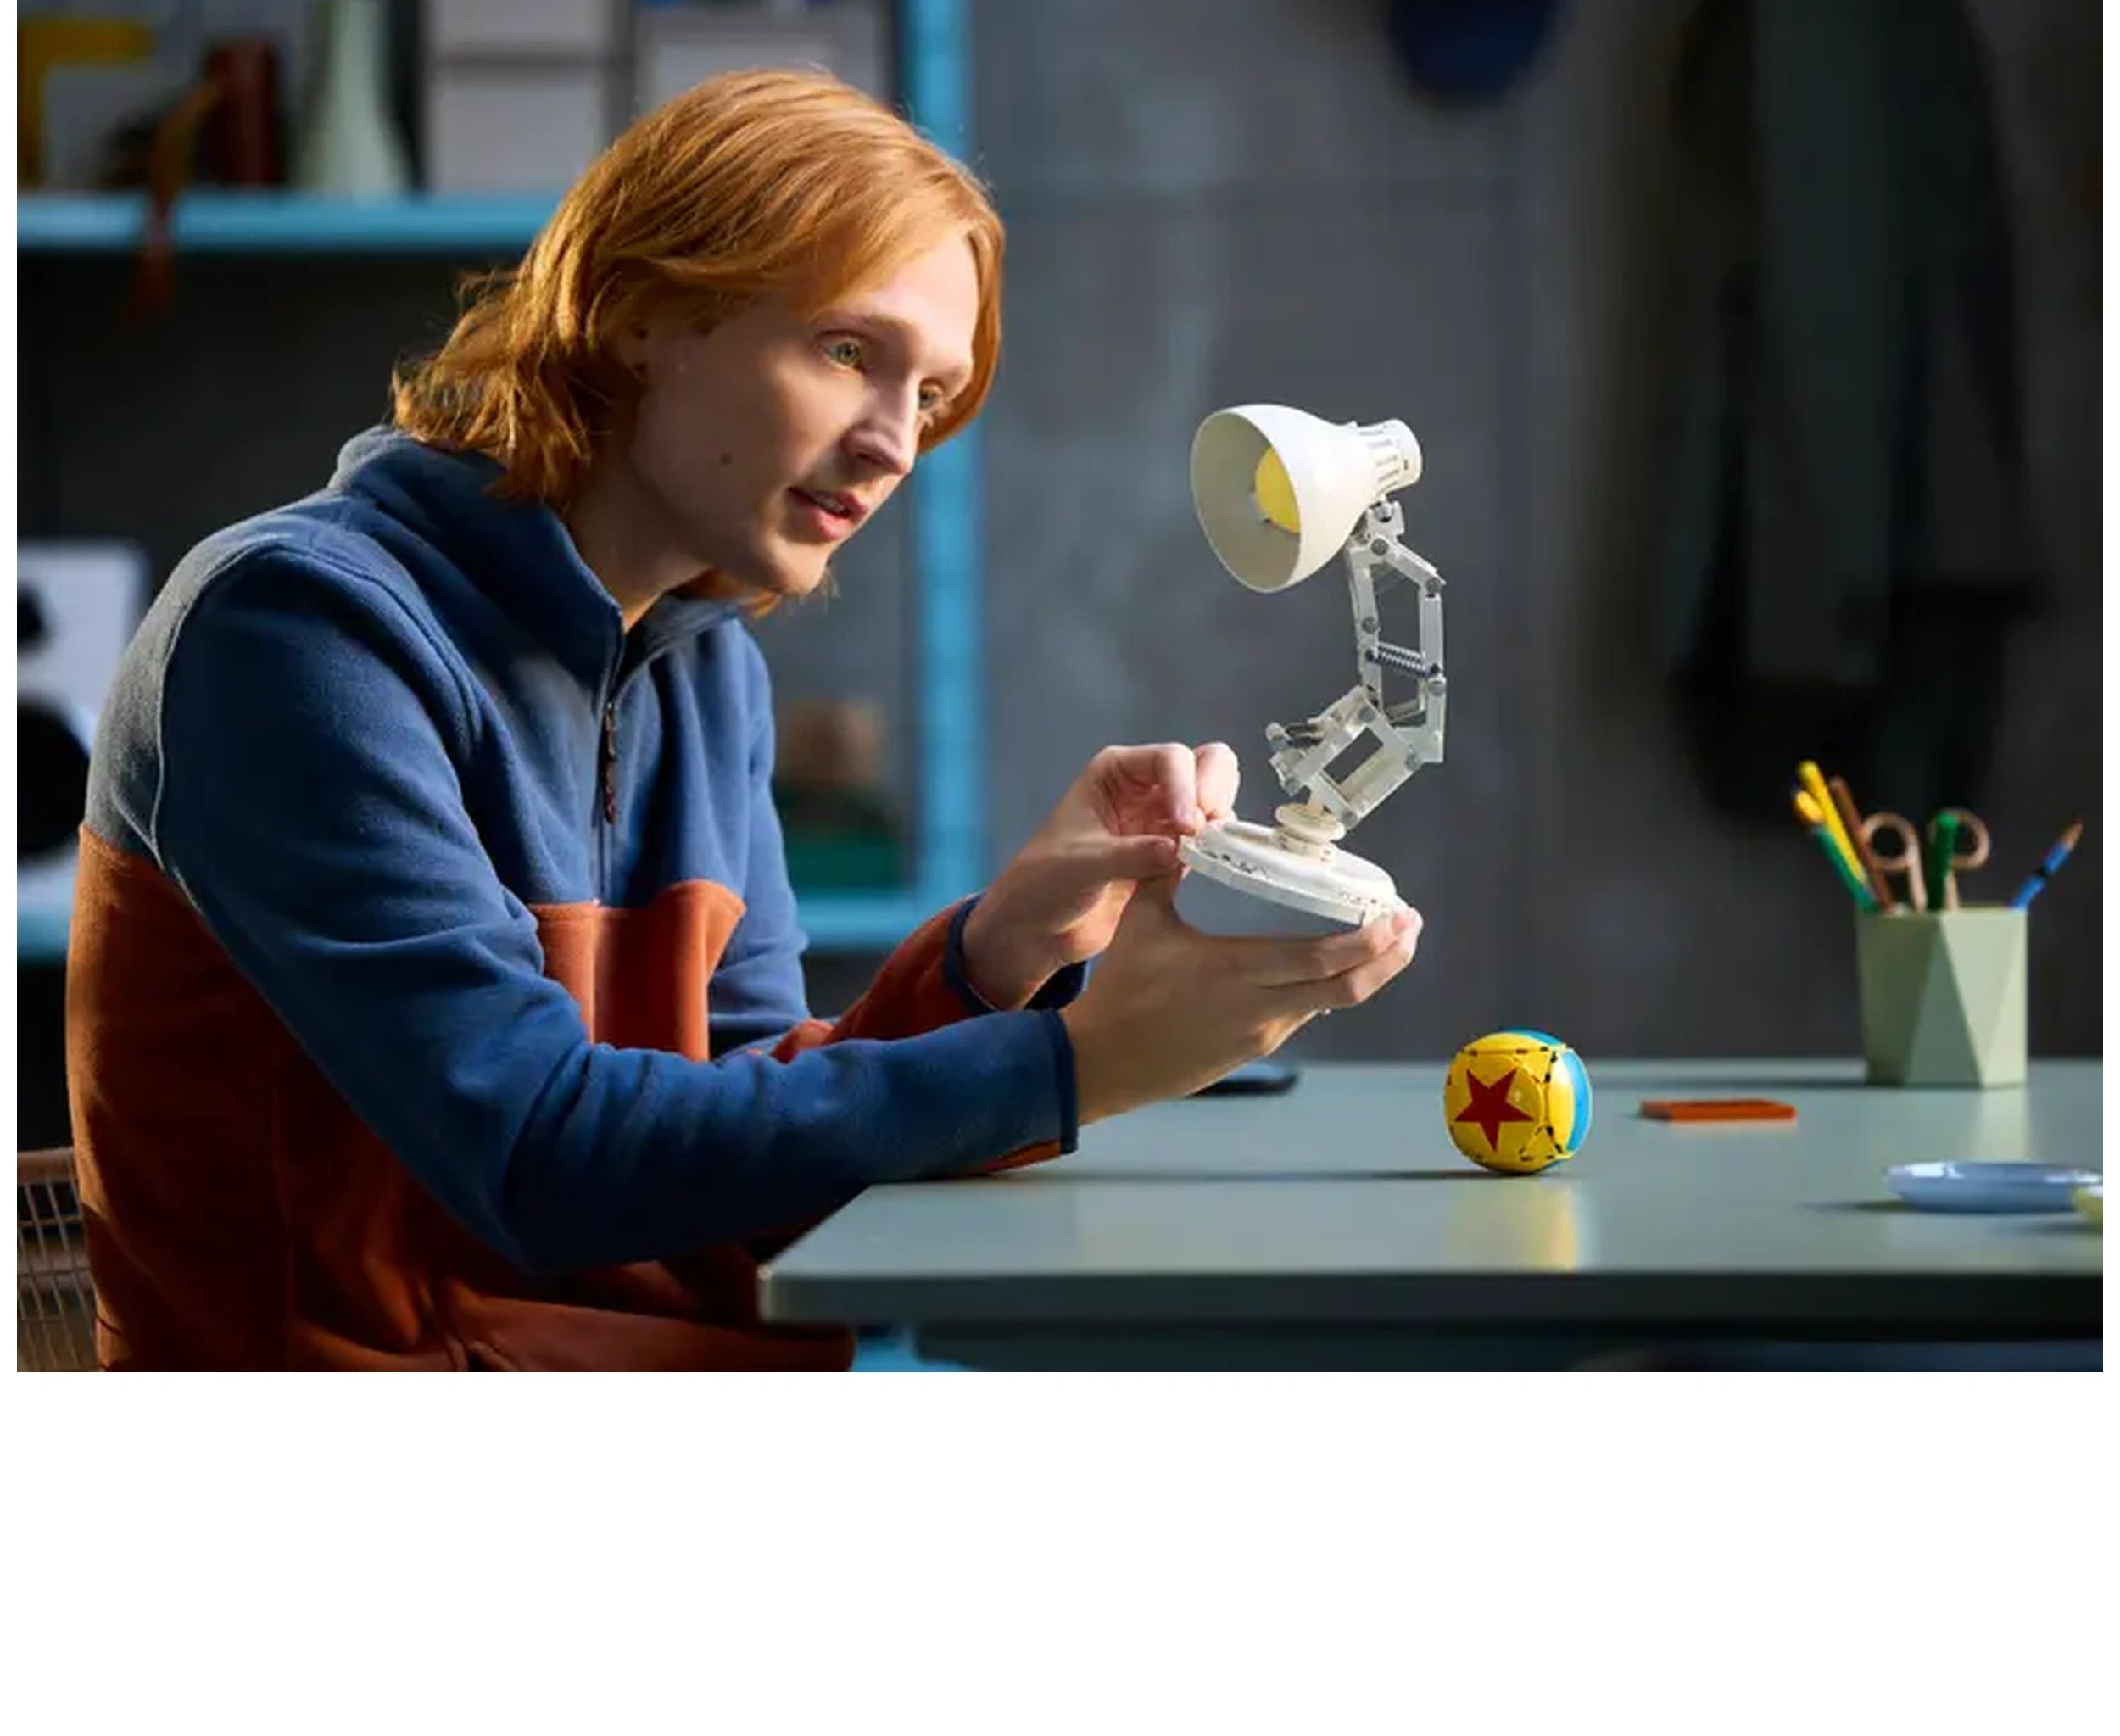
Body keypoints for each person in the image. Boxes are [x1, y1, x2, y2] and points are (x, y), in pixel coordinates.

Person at [65, 69, 1423, 1370]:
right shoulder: (300, 631)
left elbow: (746, 1139)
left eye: (932, 393)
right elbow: (543, 1157)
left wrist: (999, 957)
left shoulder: (704, 661)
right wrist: (1075, 1063)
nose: (897, 441)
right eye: (849, 351)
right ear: (641, 311)